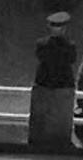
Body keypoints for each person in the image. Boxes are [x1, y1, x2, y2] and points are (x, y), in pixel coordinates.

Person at [30, 10, 77, 150]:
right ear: (64, 29)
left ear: (49, 27)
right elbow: (72, 60)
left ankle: (38, 140)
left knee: (41, 117)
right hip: (63, 85)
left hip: (44, 83)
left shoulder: (41, 44)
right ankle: (61, 140)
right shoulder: (70, 46)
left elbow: (40, 58)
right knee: (61, 117)